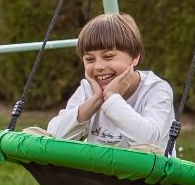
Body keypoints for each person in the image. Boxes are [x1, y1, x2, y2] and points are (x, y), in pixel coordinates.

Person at [38, 12, 174, 153]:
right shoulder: (89, 89)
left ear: (135, 57)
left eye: (108, 56)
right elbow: (54, 135)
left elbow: (149, 140)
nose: (98, 67)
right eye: (90, 59)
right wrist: (96, 100)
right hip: (97, 172)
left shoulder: (156, 90)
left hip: (146, 173)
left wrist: (112, 98)